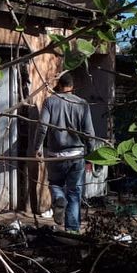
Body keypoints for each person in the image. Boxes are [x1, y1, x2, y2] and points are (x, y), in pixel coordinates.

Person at [34, 71, 95, 232]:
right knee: (74, 192)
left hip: (55, 156)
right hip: (77, 155)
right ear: (72, 87)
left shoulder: (50, 102)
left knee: (55, 184)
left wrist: (37, 148)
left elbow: (42, 127)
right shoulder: (82, 104)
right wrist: (91, 155)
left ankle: (59, 198)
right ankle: (73, 230)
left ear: (59, 85)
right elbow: (89, 133)